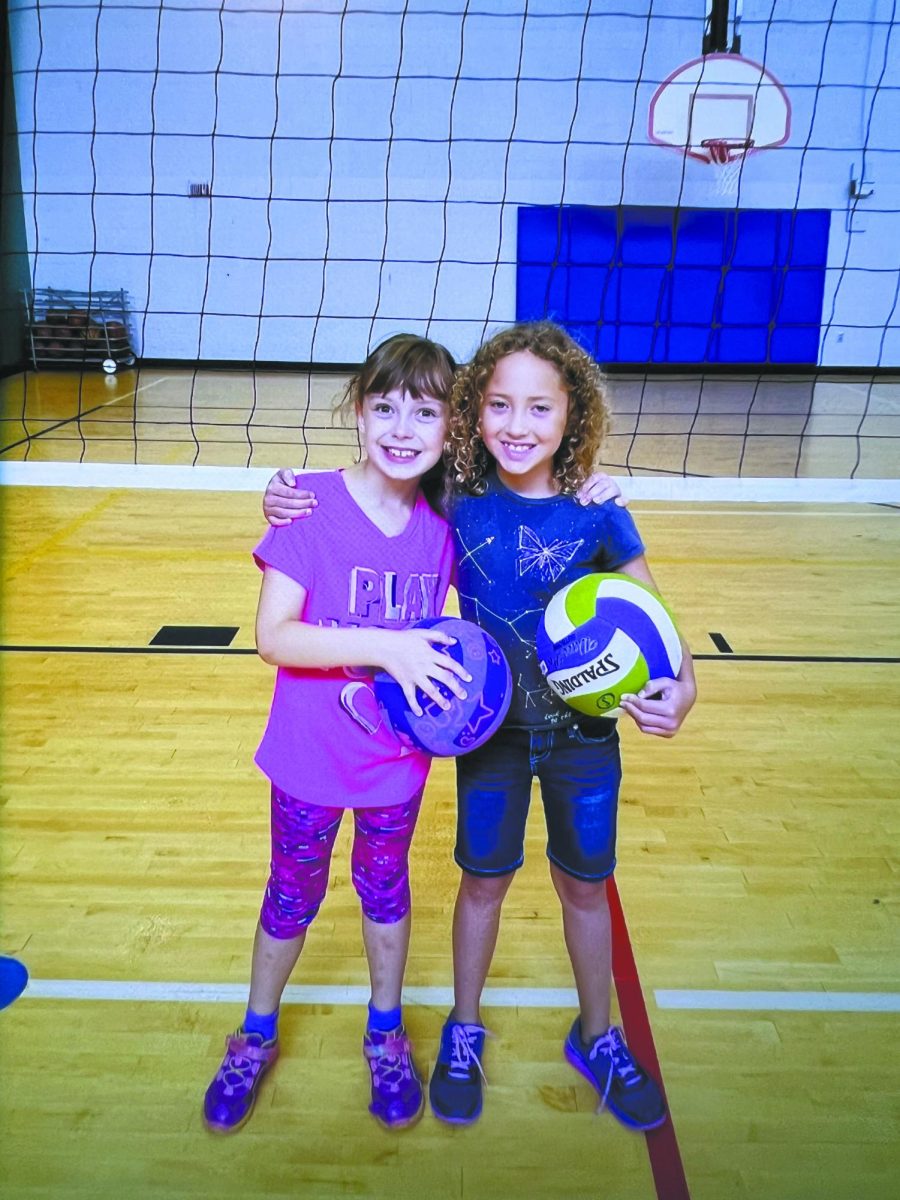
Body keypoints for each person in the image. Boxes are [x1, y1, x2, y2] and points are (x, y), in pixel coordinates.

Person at [262, 321, 696, 1133]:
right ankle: (464, 1029)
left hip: (584, 743)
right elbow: (370, 485)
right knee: (483, 884)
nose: (519, 425)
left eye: (540, 407)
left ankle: (596, 1035)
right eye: (499, 405)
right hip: (489, 736)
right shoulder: (454, 500)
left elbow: (658, 625)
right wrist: (284, 493)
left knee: (584, 886)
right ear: (472, 416)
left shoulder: (601, 516)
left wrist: (685, 691)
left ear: (576, 417)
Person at [203, 333, 470, 1136]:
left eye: (425, 411)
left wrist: (590, 491)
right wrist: (385, 646)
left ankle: (384, 1033)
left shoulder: (445, 526)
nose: (400, 426)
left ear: (451, 429)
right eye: (384, 406)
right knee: (293, 892)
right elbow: (274, 637)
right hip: (309, 761)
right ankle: (254, 1032)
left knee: (384, 890)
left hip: (396, 763)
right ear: (358, 412)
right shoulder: (311, 503)